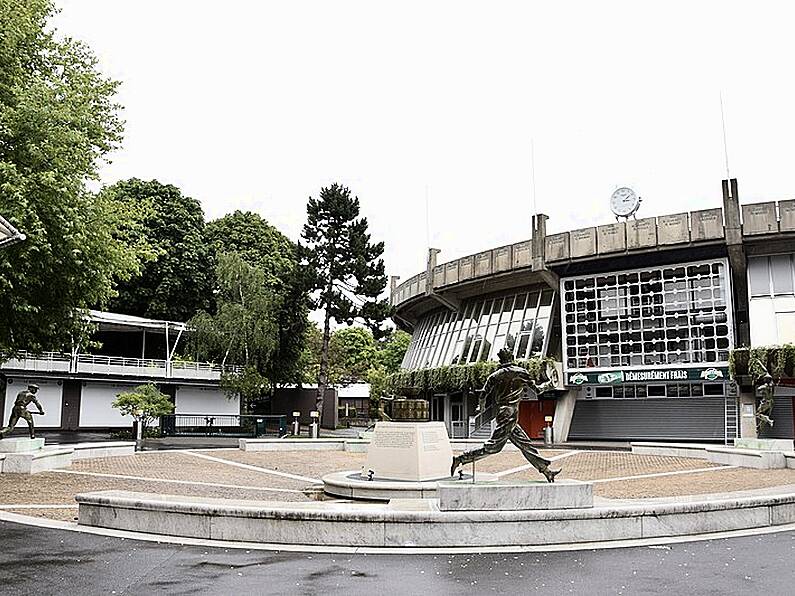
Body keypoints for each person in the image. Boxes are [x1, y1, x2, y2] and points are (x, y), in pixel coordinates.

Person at [451, 349, 561, 483]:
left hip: (503, 413)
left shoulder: (495, 376)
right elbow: (537, 390)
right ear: (512, 357)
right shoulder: (521, 372)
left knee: (525, 444)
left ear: (501, 360)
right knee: (494, 447)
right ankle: (461, 458)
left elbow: (483, 394)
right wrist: (549, 385)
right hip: (510, 413)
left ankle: (547, 472)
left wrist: (481, 407)